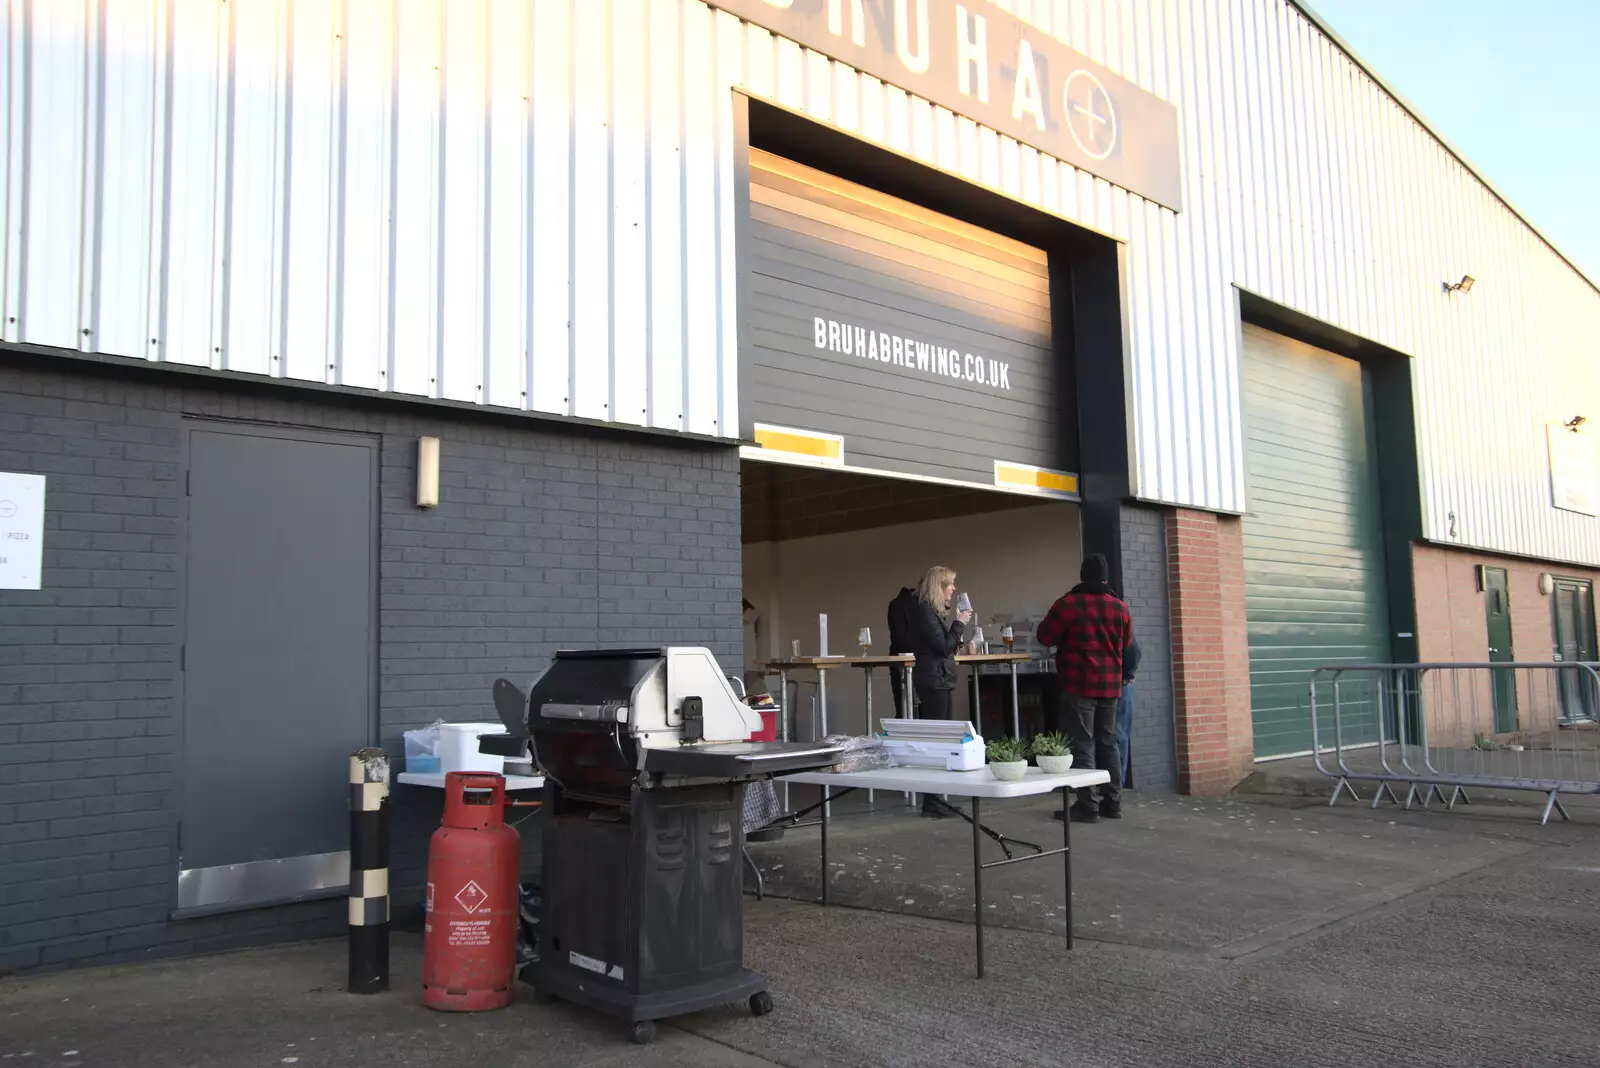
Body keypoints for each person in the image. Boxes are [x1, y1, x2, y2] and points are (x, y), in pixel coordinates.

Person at [1036, 553, 1133, 823]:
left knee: (1082, 743)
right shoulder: (1120, 608)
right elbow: (1126, 645)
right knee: (1108, 742)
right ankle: (1113, 802)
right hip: (1111, 686)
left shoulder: (1067, 605)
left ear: (1082, 575)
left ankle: (1087, 805)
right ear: (1106, 577)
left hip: (1078, 684)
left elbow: (1045, 636)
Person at [905, 565, 971, 817]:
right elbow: (943, 647)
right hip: (934, 681)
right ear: (938, 587)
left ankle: (937, 799)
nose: (954, 589)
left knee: (941, 741)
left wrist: (956, 630)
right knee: (936, 742)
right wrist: (959, 624)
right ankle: (932, 802)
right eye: (949, 584)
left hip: (938, 679)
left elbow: (946, 647)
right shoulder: (925, 612)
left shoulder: (930, 612)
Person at [886, 584, 920, 718]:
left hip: (914, 665)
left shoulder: (902, 604)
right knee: (907, 712)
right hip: (905, 666)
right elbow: (900, 640)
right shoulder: (899, 605)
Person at [1116, 638, 1142, 788]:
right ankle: (1116, 785)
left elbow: (1133, 651)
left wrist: (1126, 677)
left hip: (1120, 685)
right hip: (1121, 683)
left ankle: (1117, 784)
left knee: (1118, 735)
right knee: (1118, 735)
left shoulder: (1118, 619)